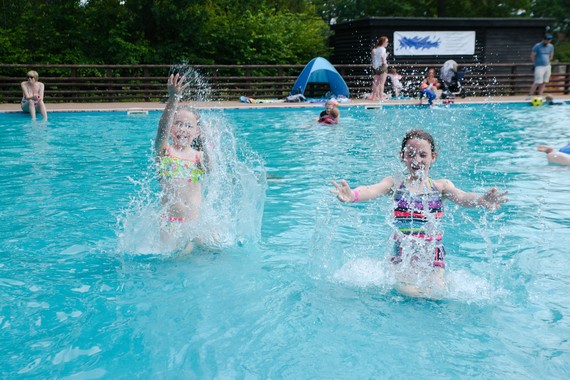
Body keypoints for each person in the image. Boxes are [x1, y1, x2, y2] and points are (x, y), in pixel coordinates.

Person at [331, 129, 509, 298]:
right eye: (410, 154)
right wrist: (352, 195)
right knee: (408, 291)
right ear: (403, 157)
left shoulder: (441, 186)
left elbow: (463, 197)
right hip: (403, 253)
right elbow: (371, 190)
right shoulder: (395, 183)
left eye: (423, 155)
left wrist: (481, 200)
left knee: (437, 293)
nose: (417, 159)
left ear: (433, 157)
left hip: (432, 254)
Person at [155, 73, 209, 254]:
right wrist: (173, 99)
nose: (183, 129)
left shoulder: (199, 156)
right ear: (171, 128)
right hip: (171, 224)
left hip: (194, 224)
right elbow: (161, 128)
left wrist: (210, 139)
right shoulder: (165, 153)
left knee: (214, 249)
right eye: (178, 124)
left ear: (197, 132)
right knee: (176, 258)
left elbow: (212, 167)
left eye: (189, 126)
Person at [368, 36, 389, 102]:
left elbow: (373, 59)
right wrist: (385, 63)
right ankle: (381, 97)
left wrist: (375, 66)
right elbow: (382, 57)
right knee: (382, 83)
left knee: (376, 83)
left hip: (376, 67)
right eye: (386, 41)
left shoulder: (375, 49)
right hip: (382, 66)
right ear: (383, 42)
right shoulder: (383, 49)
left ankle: (374, 97)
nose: (387, 43)